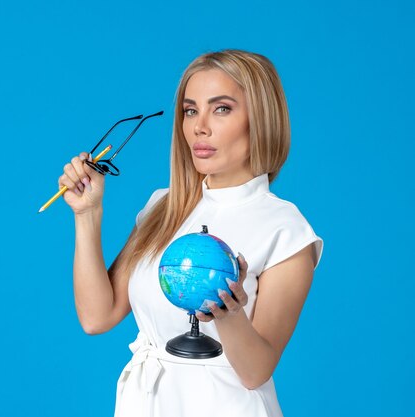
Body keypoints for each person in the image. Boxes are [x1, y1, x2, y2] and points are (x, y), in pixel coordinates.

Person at [58, 49, 323, 417]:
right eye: (190, 110)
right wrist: (87, 215)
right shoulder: (163, 206)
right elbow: (97, 317)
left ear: (260, 119)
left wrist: (229, 314)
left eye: (222, 108)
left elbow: (255, 371)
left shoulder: (286, 229)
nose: (200, 126)